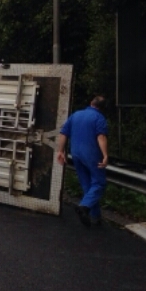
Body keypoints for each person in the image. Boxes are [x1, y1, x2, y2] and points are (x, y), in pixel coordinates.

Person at [56, 96, 109, 227]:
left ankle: (95, 217)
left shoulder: (76, 115)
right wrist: (105, 155)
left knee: (87, 184)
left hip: (75, 154)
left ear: (91, 102)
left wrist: (60, 150)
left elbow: (63, 133)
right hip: (91, 154)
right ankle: (84, 207)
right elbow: (101, 137)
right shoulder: (99, 118)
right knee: (99, 183)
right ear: (102, 108)